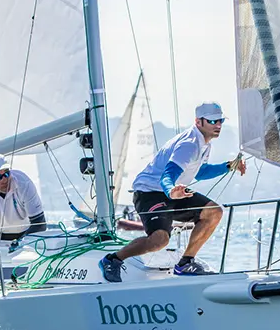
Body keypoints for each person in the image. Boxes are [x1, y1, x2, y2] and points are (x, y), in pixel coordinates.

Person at [99, 102, 246, 282]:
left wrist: (228, 166)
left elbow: (199, 172)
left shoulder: (204, 143)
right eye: (212, 121)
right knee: (159, 240)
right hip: (150, 192)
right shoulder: (189, 144)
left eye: (220, 120)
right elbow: (167, 175)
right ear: (198, 122)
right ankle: (112, 259)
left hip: (175, 191)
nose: (218, 125)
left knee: (214, 212)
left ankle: (185, 263)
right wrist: (171, 191)